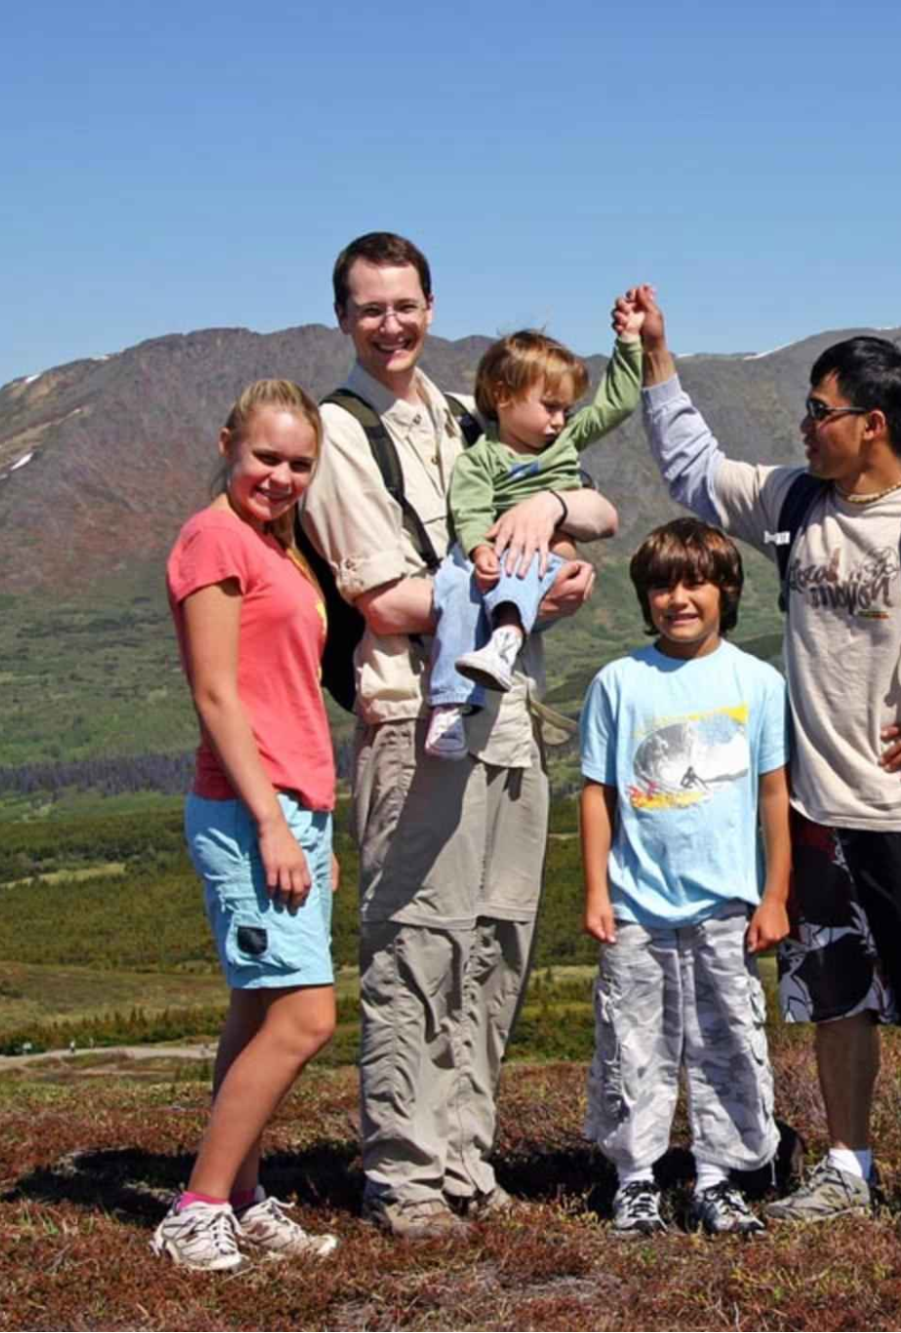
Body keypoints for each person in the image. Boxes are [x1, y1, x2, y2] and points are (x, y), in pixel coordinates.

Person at [628, 285, 901, 1235]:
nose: (804, 426)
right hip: (818, 813)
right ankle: (846, 1167)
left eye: (818, 410)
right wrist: (657, 358)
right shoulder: (795, 504)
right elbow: (693, 470)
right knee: (836, 998)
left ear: (872, 425)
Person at [297, 232, 603, 1240]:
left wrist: (553, 533)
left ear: (432, 306)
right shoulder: (340, 434)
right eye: (371, 308)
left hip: (511, 710)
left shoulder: (470, 419)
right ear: (345, 318)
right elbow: (384, 598)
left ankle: (468, 1153)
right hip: (409, 715)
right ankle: (405, 1170)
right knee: (416, 944)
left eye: (406, 304)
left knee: (496, 941)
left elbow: (569, 526)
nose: (392, 324)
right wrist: (529, 581)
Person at [153, 380, 341, 1271]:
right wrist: (271, 822)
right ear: (228, 441)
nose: (281, 476)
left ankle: (241, 1195)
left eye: (299, 463)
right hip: (247, 808)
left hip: (290, 808)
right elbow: (217, 694)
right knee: (307, 1018)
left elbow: (289, 696)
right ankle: (194, 1209)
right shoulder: (214, 538)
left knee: (260, 1007)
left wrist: (312, 824)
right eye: (266, 456)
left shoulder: (277, 545)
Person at [578, 519, 792, 1237]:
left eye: (694, 582)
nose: (678, 598)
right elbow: (595, 793)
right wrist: (596, 890)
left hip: (727, 906)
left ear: (725, 589)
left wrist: (774, 894)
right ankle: (634, 1177)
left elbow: (772, 794)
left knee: (726, 1037)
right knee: (632, 1040)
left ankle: (716, 1175)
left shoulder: (759, 683)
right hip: (637, 904)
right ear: (644, 596)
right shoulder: (618, 683)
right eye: (662, 585)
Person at [424, 325, 641, 760]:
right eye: (550, 407)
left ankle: (505, 639)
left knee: (523, 567)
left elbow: (617, 403)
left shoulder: (563, 442)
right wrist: (479, 550)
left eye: (566, 409)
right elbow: (471, 511)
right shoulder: (479, 460)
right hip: (496, 551)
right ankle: (449, 703)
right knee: (452, 583)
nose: (560, 420)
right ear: (504, 397)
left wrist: (629, 343)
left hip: (542, 558)